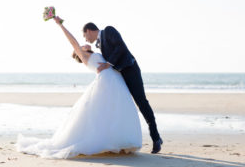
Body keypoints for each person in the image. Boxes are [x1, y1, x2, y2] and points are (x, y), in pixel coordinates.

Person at [15, 16, 142, 159]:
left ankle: (120, 142)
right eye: (81, 45)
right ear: (78, 51)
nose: (84, 43)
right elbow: (72, 41)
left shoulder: (94, 52)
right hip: (107, 82)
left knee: (115, 112)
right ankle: (110, 142)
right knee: (106, 114)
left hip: (114, 81)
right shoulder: (84, 56)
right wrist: (60, 24)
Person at [82, 22, 163, 153]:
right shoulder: (99, 43)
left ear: (89, 31)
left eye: (85, 36)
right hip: (118, 75)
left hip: (130, 70)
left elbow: (120, 47)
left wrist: (108, 64)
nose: (86, 39)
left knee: (141, 102)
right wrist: (86, 50)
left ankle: (156, 138)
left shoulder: (108, 30)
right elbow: (101, 57)